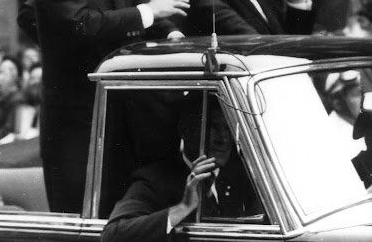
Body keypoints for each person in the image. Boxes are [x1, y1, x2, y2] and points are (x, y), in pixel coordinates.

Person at [30, 0, 190, 213]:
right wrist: (148, 13)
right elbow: (85, 26)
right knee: (80, 220)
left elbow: (152, 16)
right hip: (74, 133)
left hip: (120, 129)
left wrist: (174, 37)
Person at [102, 99, 260, 241]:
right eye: (212, 127)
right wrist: (183, 207)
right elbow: (113, 235)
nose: (223, 139)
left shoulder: (238, 181)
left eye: (227, 128)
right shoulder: (156, 179)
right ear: (185, 130)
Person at [324, 70, 366, 159]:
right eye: (358, 93)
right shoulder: (331, 138)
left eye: (366, 93)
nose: (366, 99)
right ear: (337, 103)